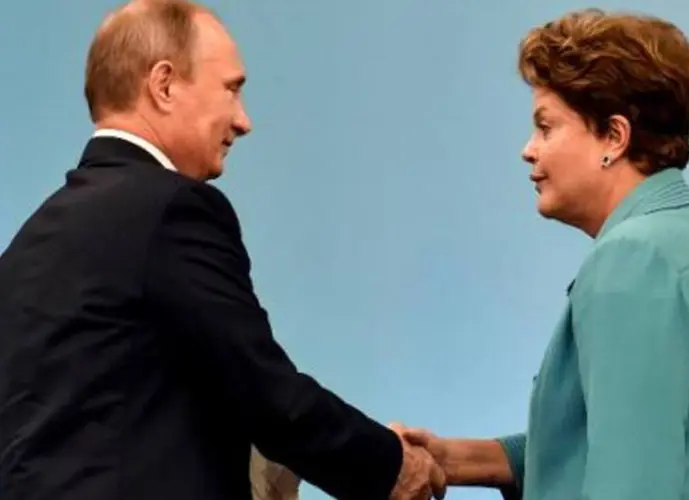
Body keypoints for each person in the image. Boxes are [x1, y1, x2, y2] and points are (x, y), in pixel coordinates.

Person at [0, 1, 446, 499]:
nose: (243, 120)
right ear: (164, 85)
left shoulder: (31, 242)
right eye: (232, 89)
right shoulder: (172, 209)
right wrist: (389, 464)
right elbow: (264, 392)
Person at [393, 8, 689, 500]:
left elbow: (630, 482)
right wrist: (458, 460)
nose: (528, 150)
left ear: (613, 137)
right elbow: (652, 436)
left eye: (546, 127)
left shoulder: (635, 259)